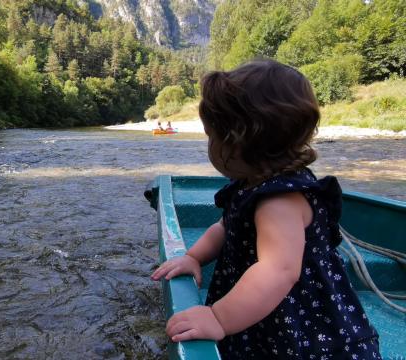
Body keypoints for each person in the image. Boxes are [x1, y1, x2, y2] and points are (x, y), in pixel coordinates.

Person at [150, 59, 380, 359]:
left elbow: (277, 271)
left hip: (298, 322)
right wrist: (194, 257)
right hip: (260, 309)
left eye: (211, 136)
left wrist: (218, 317)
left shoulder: (278, 202)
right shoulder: (251, 184)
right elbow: (224, 228)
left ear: (236, 142)